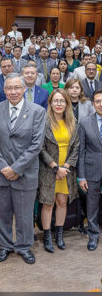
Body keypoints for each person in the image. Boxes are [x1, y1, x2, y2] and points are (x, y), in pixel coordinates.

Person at [0, 73, 45, 265]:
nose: (13, 92)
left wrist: (17, 168)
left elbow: (36, 144)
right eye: (9, 88)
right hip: (2, 173)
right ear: (4, 90)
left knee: (24, 214)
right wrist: (4, 167)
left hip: (26, 173)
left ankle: (23, 246)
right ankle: (5, 245)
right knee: (3, 213)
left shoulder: (37, 111)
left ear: (23, 89)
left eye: (16, 88)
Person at [38, 89, 79, 253]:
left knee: (62, 202)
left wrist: (66, 167)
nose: (59, 104)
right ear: (50, 103)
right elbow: (40, 149)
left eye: (62, 101)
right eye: (56, 101)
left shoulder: (72, 122)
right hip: (49, 169)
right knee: (48, 203)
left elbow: (76, 147)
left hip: (66, 171)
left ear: (67, 103)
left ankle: (59, 234)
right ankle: (47, 235)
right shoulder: (44, 122)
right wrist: (55, 167)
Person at [78, 89, 102, 251]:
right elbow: (80, 152)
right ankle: (93, 234)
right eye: (98, 101)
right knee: (92, 205)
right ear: (93, 104)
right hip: (92, 169)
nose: (101, 104)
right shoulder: (85, 122)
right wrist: (81, 176)